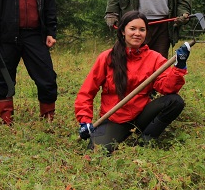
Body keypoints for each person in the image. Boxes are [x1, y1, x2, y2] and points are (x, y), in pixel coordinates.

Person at [75, 11, 190, 154]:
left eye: (142, 30)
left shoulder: (154, 58)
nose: (137, 33)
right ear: (123, 31)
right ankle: (117, 134)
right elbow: (87, 91)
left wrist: (179, 68)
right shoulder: (107, 57)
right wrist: (84, 120)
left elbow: (167, 88)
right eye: (132, 29)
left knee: (174, 101)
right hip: (115, 119)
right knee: (96, 153)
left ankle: (145, 141)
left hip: (142, 115)